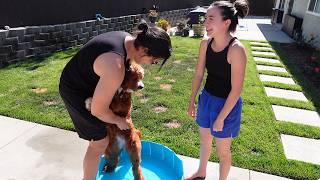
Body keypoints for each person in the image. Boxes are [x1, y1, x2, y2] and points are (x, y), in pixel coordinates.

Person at [59, 21, 172, 180]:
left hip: (84, 79)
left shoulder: (126, 39)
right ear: (145, 50)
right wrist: (118, 120)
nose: (153, 64)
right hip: (75, 91)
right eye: (154, 61)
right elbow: (98, 110)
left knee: (101, 136)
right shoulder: (115, 67)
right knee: (99, 142)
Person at [186, 1, 249, 180]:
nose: (206, 23)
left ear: (226, 22)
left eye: (211, 19)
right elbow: (198, 75)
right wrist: (192, 101)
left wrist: (221, 117)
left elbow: (236, 90)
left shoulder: (237, 50)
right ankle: (201, 172)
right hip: (206, 99)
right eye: (206, 18)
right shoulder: (205, 44)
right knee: (205, 141)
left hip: (227, 105)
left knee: (223, 152)